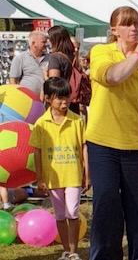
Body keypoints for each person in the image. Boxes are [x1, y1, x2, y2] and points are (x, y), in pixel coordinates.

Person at [87, 6, 138, 260]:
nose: (134, 29)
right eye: (127, 24)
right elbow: (113, 76)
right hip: (103, 144)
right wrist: (137, 52)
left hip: (137, 147)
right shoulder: (101, 52)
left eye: (137, 24)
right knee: (106, 207)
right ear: (114, 30)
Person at [31, 77, 88, 260]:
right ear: (48, 98)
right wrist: (40, 178)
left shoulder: (77, 121)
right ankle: (66, 250)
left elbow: (84, 148)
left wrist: (88, 174)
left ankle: (74, 251)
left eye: (67, 97)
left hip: (73, 175)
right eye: (59, 98)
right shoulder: (40, 124)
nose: (64, 102)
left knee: (73, 213)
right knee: (61, 215)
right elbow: (37, 152)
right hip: (53, 178)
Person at [8, 30, 48, 96]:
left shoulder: (50, 58)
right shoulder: (20, 58)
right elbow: (13, 80)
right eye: (43, 42)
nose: (46, 45)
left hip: (46, 100)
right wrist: (17, 95)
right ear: (33, 43)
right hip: (26, 100)